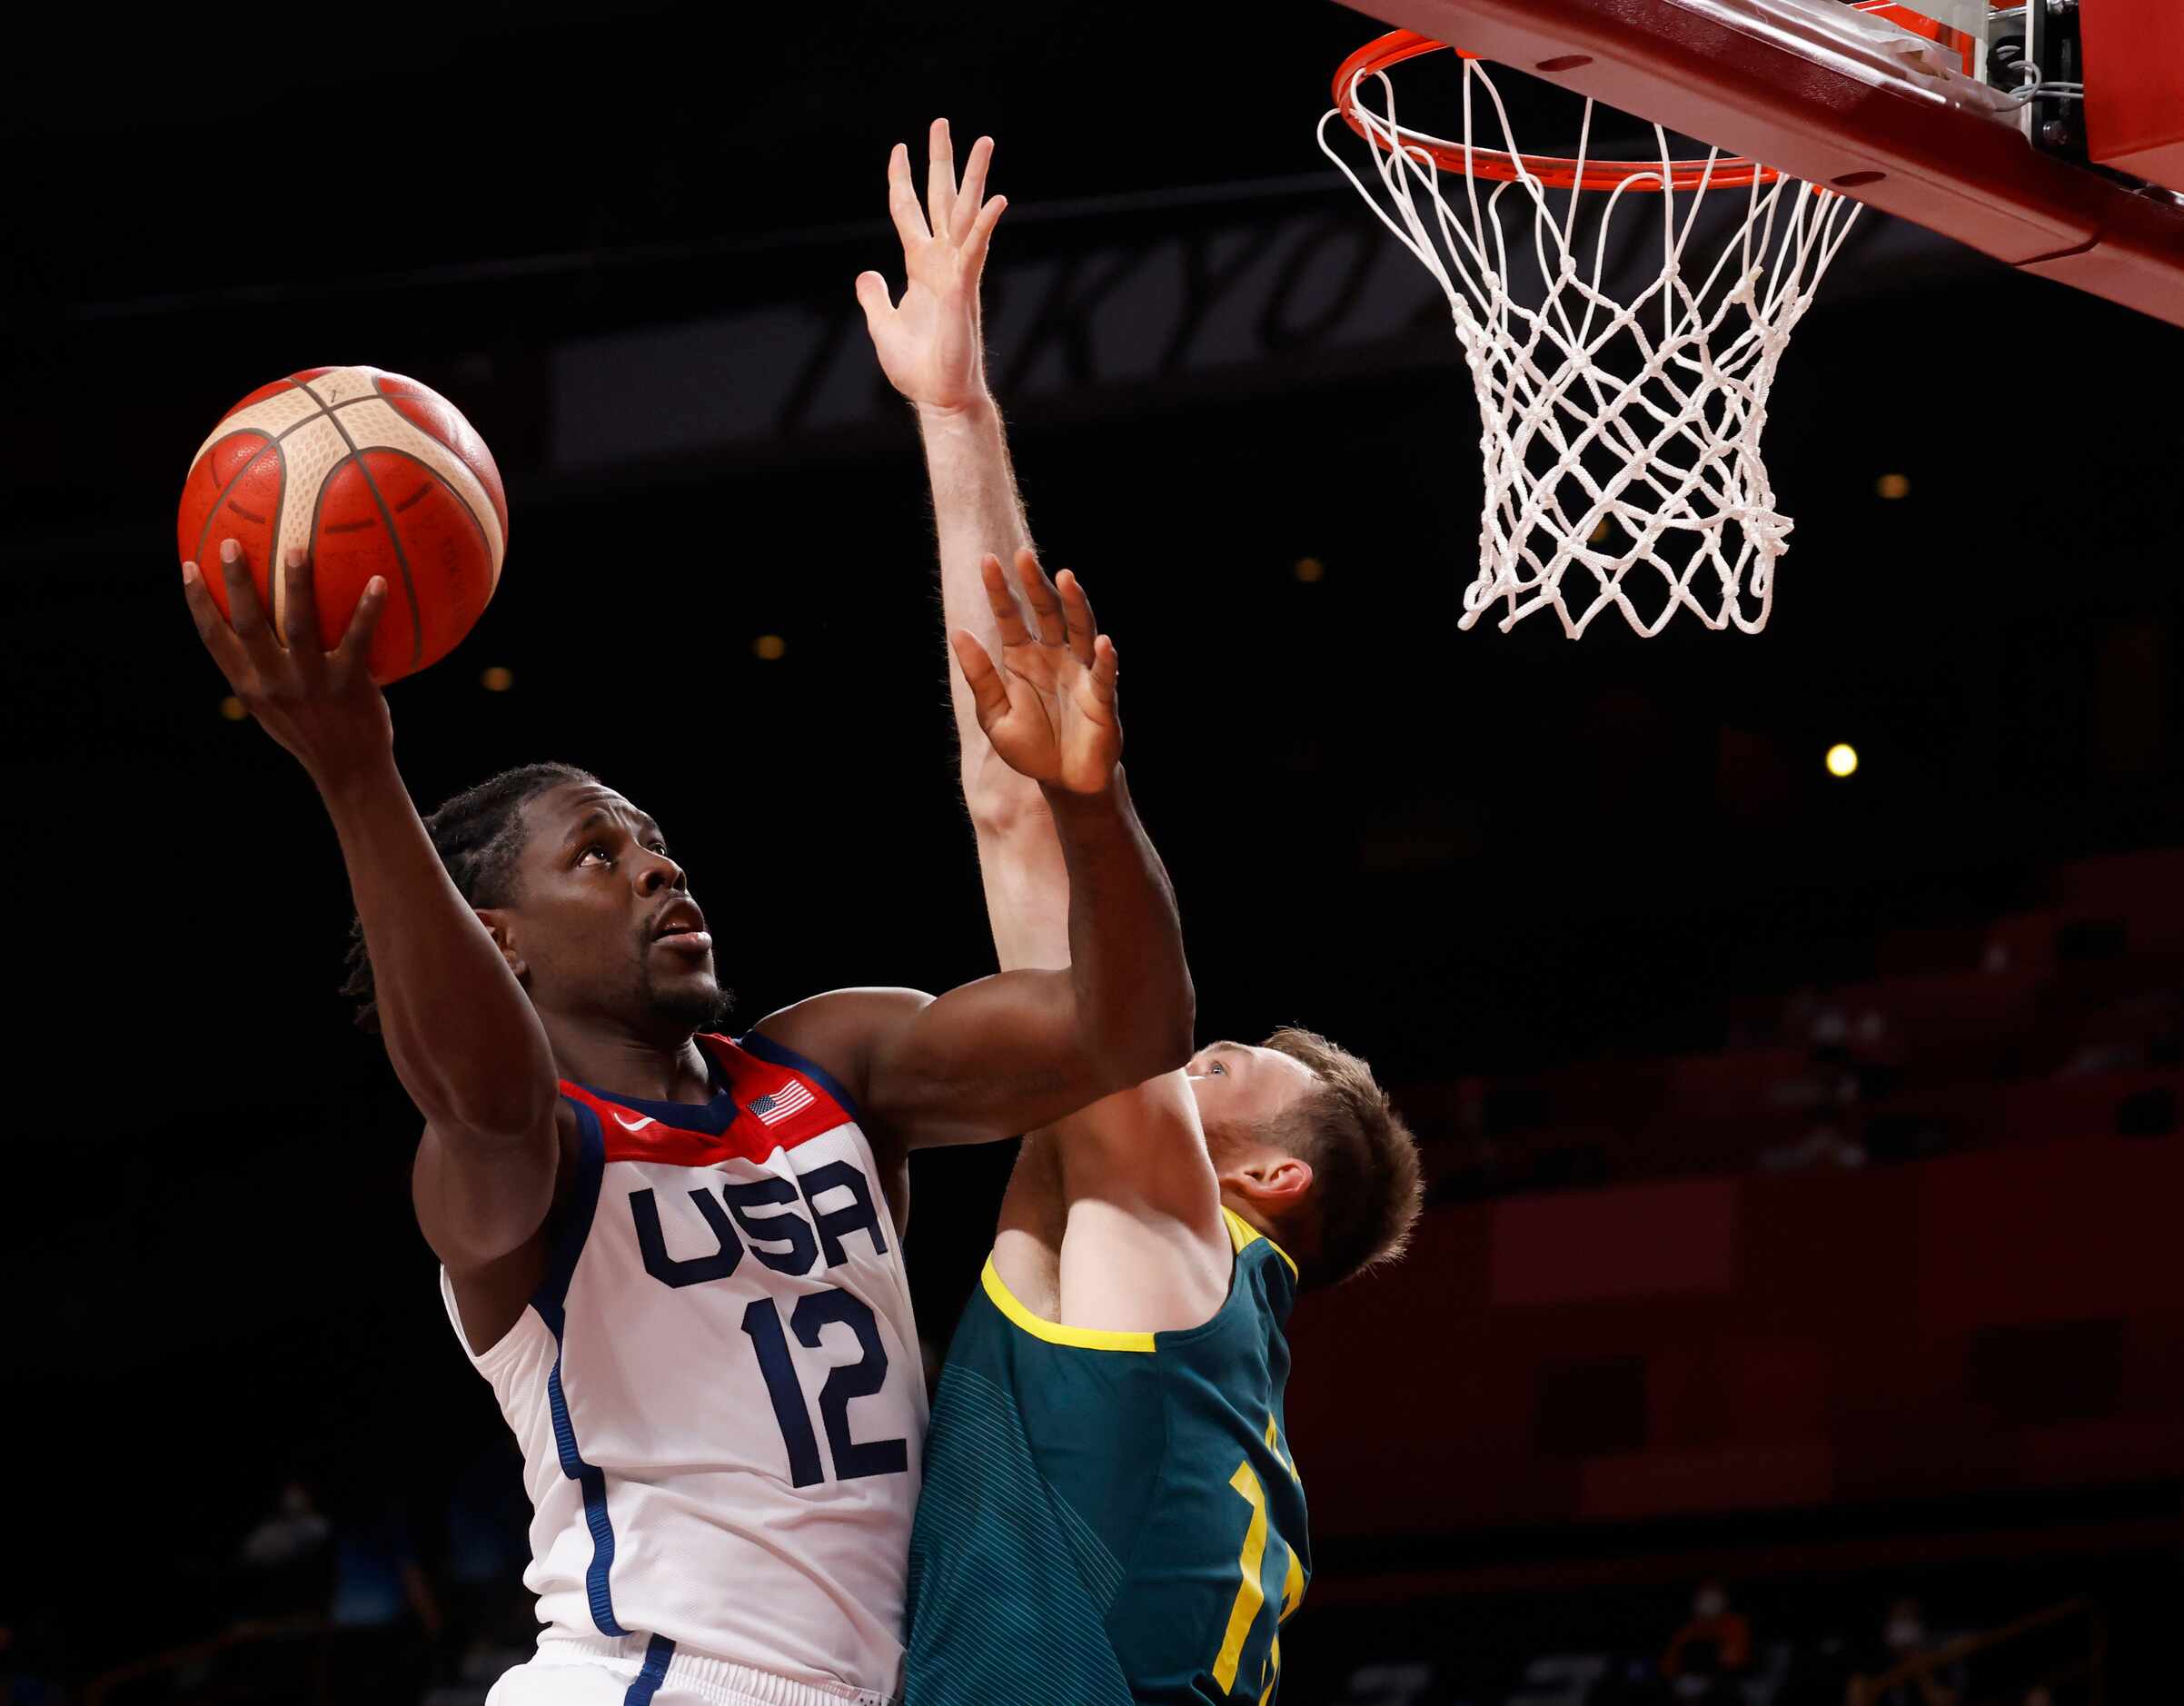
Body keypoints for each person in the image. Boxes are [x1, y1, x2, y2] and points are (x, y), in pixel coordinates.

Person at [177, 519, 1196, 1706]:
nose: (661, 868)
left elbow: (1129, 1031)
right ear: (495, 940)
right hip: (650, 1679)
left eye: (656, 844)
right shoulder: (522, 1150)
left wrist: (1089, 800)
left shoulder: (829, 1065)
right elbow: (481, 1088)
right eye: (598, 856)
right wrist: (360, 778)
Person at [857, 120, 1425, 1704]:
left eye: (1220, 1061)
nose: (1181, 1054)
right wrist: (953, 413)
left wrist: (959, 412)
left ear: (1264, 1172)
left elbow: (1026, 832)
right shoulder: (1186, 1337)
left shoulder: (1177, 1242)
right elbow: (1008, 814)